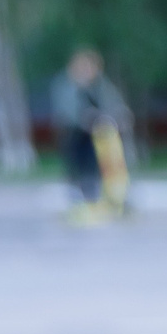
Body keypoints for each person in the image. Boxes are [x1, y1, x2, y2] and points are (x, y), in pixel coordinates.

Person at [49, 49, 130, 212]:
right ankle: (79, 197)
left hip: (99, 135)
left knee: (107, 162)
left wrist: (120, 114)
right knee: (79, 165)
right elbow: (67, 108)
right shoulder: (66, 84)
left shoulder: (100, 84)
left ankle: (111, 195)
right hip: (75, 134)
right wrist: (84, 118)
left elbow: (112, 101)